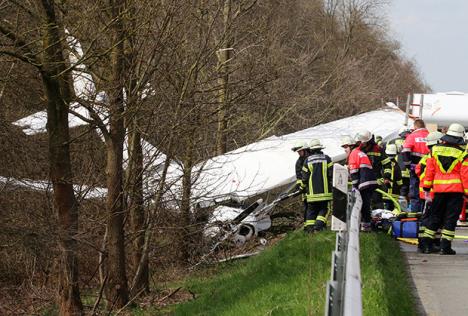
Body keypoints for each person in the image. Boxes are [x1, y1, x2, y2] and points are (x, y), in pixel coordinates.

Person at [421, 123, 468, 254]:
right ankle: (445, 247)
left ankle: (426, 245)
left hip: (439, 190)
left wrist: (426, 186)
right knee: (450, 219)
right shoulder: (463, 153)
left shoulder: (434, 150)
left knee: (435, 217)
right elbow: (465, 175)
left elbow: (429, 171)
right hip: (456, 191)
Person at [415, 131, 444, 251]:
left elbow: (417, 171)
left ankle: (432, 242)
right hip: (430, 193)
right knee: (429, 219)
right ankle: (425, 244)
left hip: (427, 192)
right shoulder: (432, 157)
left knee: (433, 218)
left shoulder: (426, 157)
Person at [300, 139, 333, 232]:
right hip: (325, 193)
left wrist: (301, 187)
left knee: (311, 211)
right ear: (320, 148)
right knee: (325, 210)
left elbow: (304, 178)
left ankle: (310, 230)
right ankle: (318, 226)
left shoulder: (307, 161)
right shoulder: (327, 159)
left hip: (311, 195)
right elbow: (332, 174)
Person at [349, 130, 379, 231]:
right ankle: (366, 225)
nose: (345, 150)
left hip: (364, 183)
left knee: (362, 205)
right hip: (370, 182)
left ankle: (365, 227)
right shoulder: (361, 153)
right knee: (366, 204)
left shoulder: (354, 154)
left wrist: (354, 186)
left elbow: (354, 171)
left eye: (345, 147)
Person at [357, 130, 392, 209]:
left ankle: (379, 219)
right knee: (363, 204)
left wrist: (387, 177)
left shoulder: (378, 150)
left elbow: (387, 163)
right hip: (362, 182)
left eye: (363, 142)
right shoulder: (359, 149)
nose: (361, 144)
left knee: (377, 202)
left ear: (369, 141)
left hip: (376, 181)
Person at [402, 119, 429, 212]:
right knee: (427, 192)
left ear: (415, 127)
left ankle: (416, 216)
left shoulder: (412, 136)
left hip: (415, 168)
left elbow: (405, 151)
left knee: (415, 193)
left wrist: (408, 165)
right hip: (429, 169)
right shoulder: (431, 135)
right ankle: (425, 215)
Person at [389, 126, 412, 201]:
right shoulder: (411, 141)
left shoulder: (392, 141)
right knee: (406, 191)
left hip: (396, 171)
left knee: (395, 191)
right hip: (408, 171)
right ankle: (404, 208)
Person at [291, 141, 310, 227]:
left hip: (316, 189)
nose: (299, 153)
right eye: (298, 152)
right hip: (305, 190)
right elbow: (299, 178)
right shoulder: (298, 162)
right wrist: (298, 188)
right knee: (306, 208)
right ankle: (307, 226)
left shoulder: (312, 158)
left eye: (300, 151)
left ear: (305, 150)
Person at [382, 144, 403, 212]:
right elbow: (399, 179)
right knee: (390, 211)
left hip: (383, 192)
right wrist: (400, 186)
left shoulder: (383, 164)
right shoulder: (396, 165)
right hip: (394, 193)